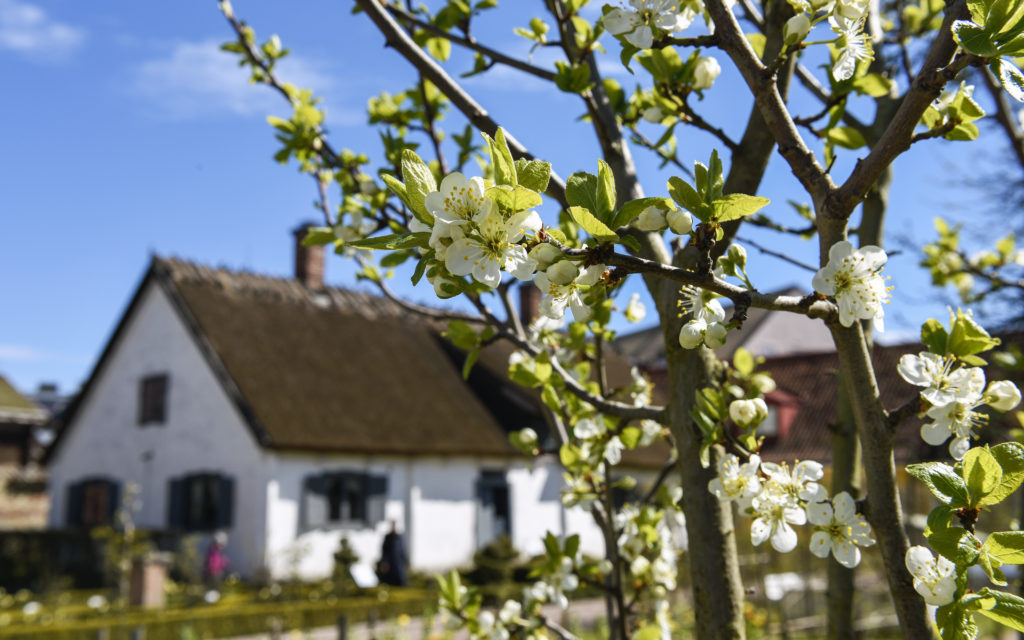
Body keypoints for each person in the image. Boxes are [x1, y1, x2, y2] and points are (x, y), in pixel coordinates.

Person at [377, 521, 407, 586]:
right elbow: (384, 551)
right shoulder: (388, 537)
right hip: (390, 564)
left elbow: (402, 552)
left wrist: (404, 563)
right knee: (389, 581)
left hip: (398, 564)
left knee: (400, 581)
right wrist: (384, 562)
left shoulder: (400, 537)